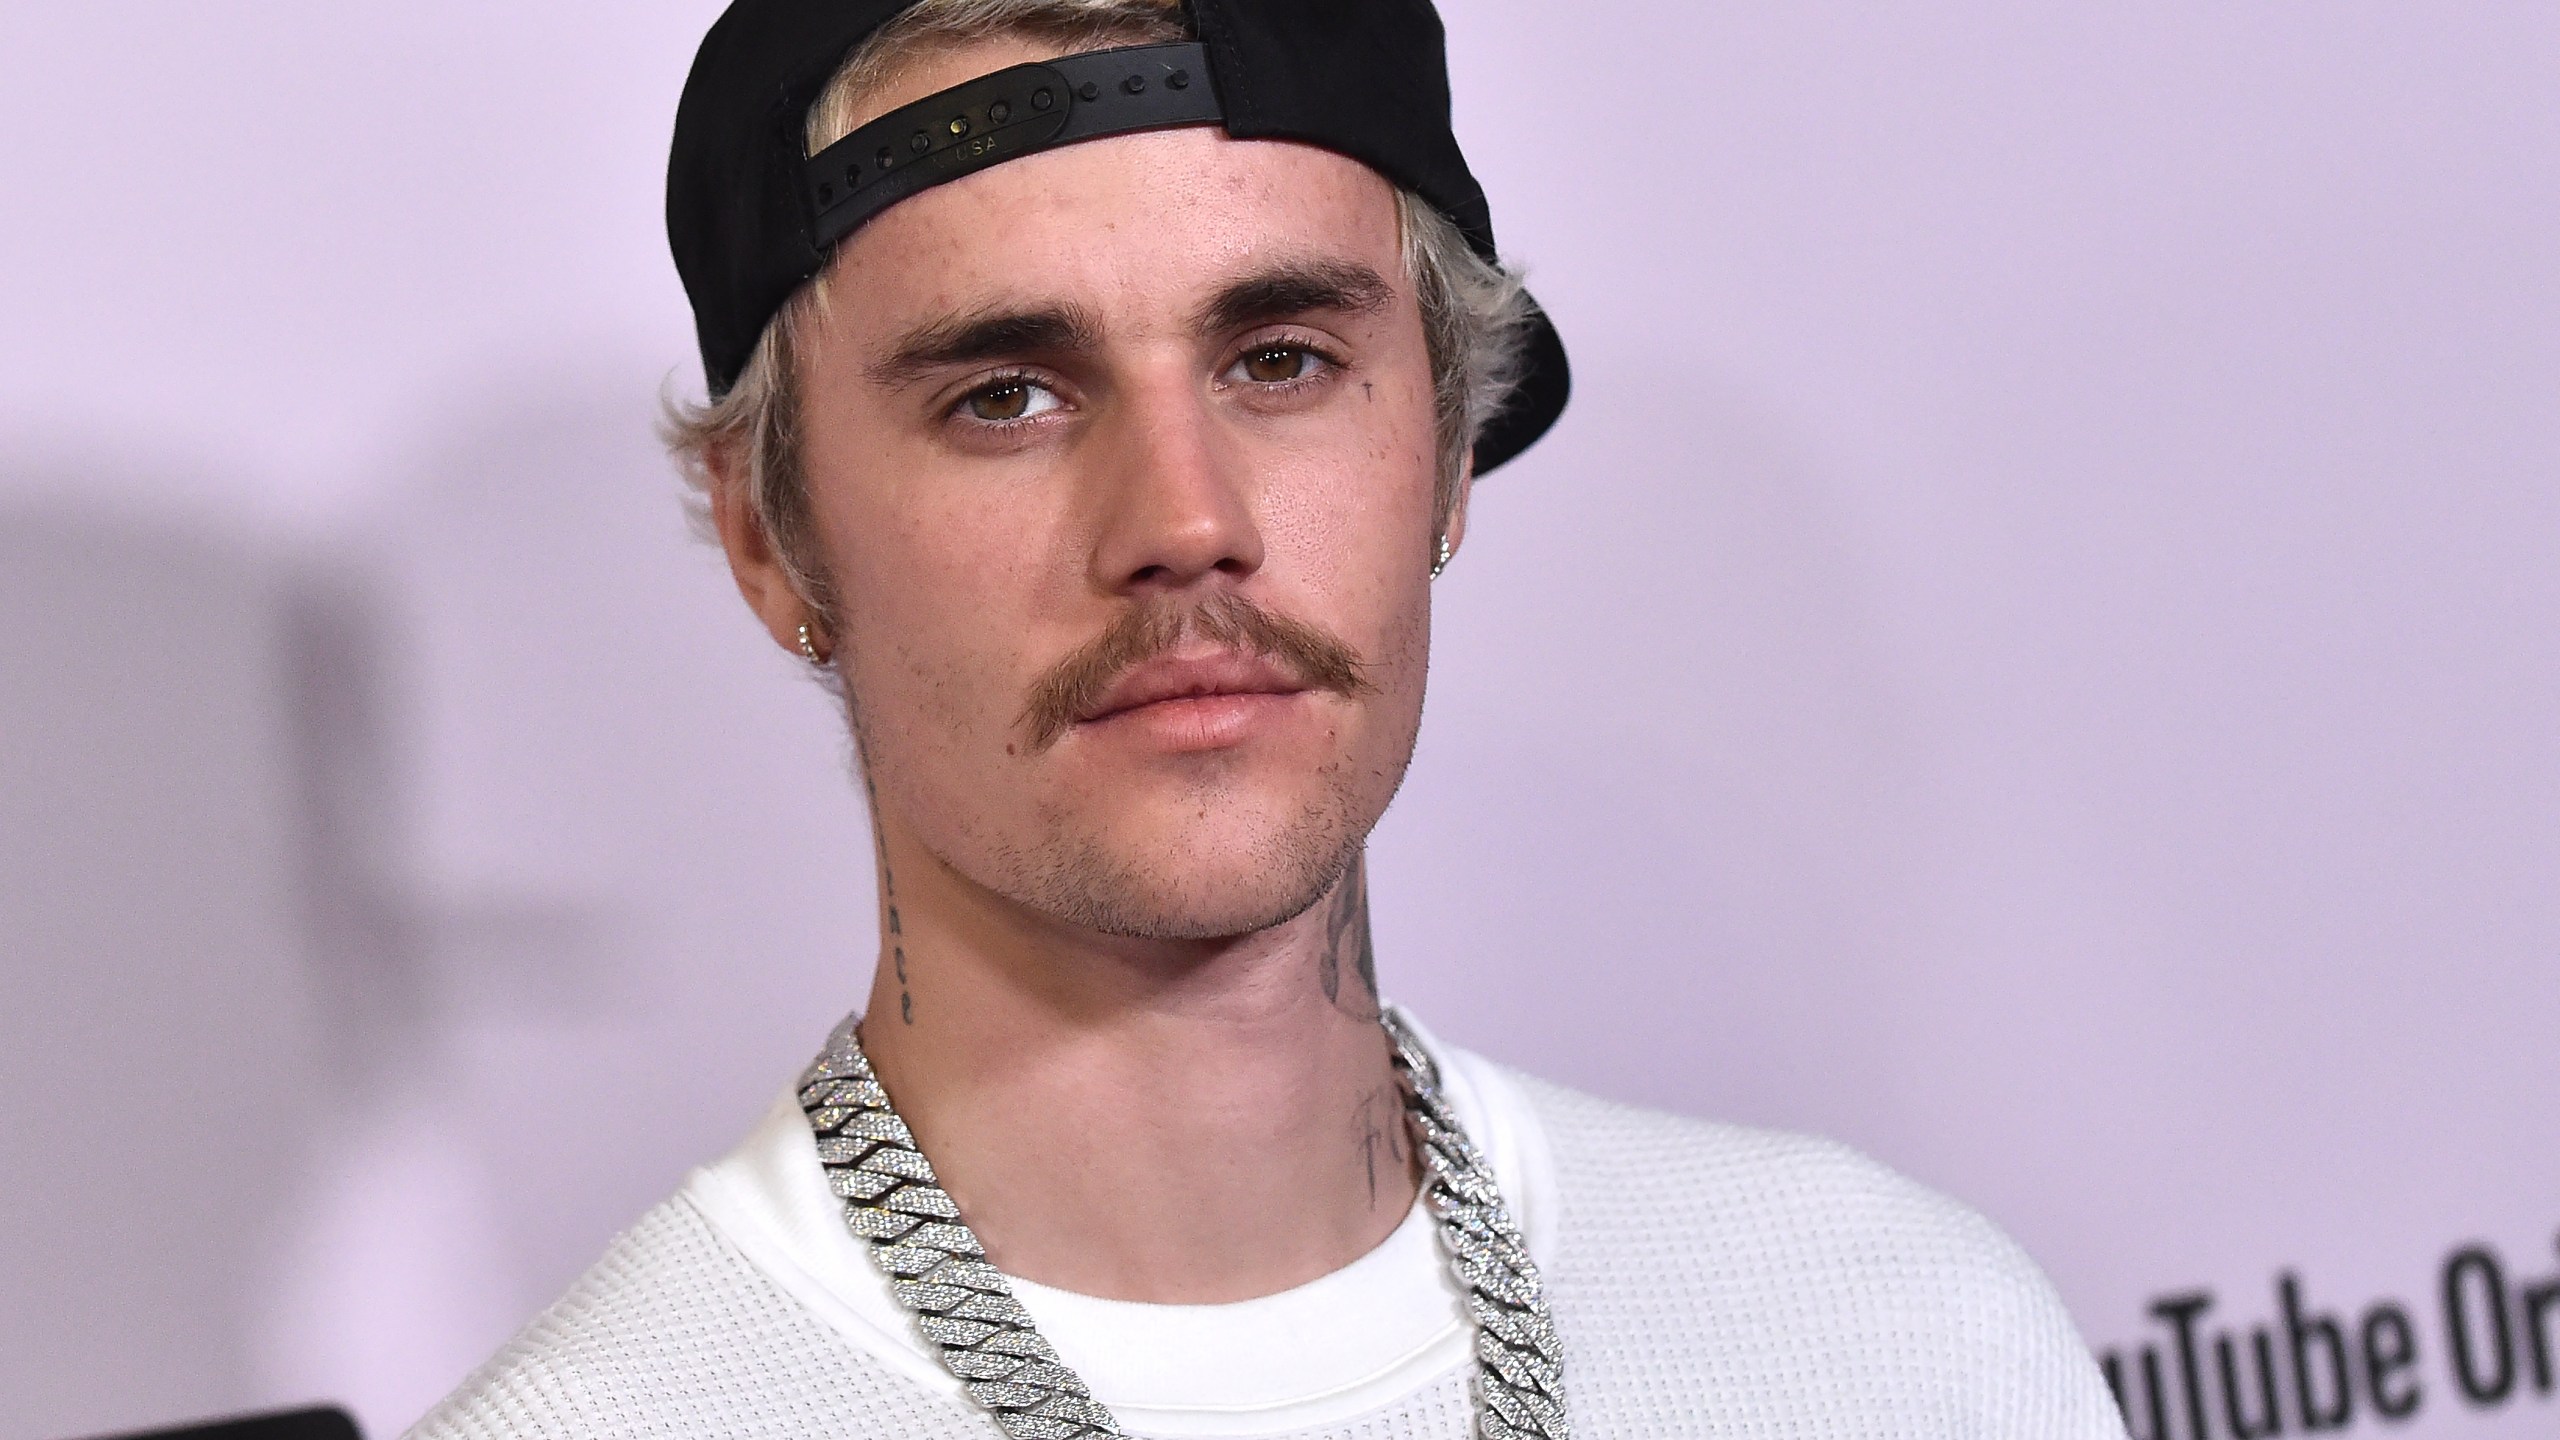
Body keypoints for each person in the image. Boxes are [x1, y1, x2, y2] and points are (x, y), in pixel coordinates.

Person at [412, 1, 2127, 1435]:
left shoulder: (1915, 1348)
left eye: (1282, 358)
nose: (1184, 514)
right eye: (1006, 395)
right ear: (772, 536)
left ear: (1448, 451)